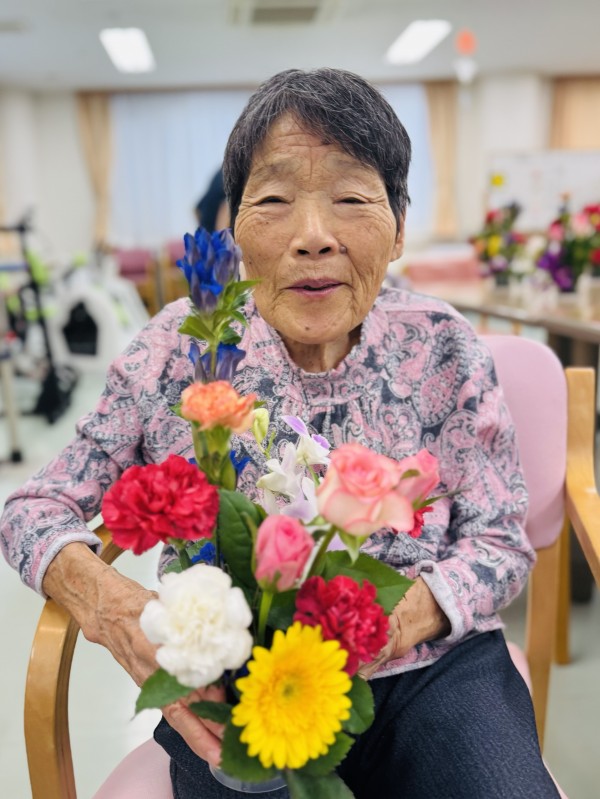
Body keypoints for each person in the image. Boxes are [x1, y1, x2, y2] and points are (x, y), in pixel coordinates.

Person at [0, 68, 560, 798]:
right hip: (239, 682)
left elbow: (499, 539)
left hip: (431, 671)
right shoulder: (179, 348)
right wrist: (115, 608)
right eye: (272, 200)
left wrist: (401, 621)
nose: (313, 237)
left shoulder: (441, 344)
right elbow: (30, 509)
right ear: (234, 228)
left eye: (352, 199)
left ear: (398, 227)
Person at [194, 167, 230, 232]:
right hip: (216, 232)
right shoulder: (228, 175)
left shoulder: (221, 175)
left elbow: (196, 210)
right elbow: (225, 207)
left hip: (209, 231)